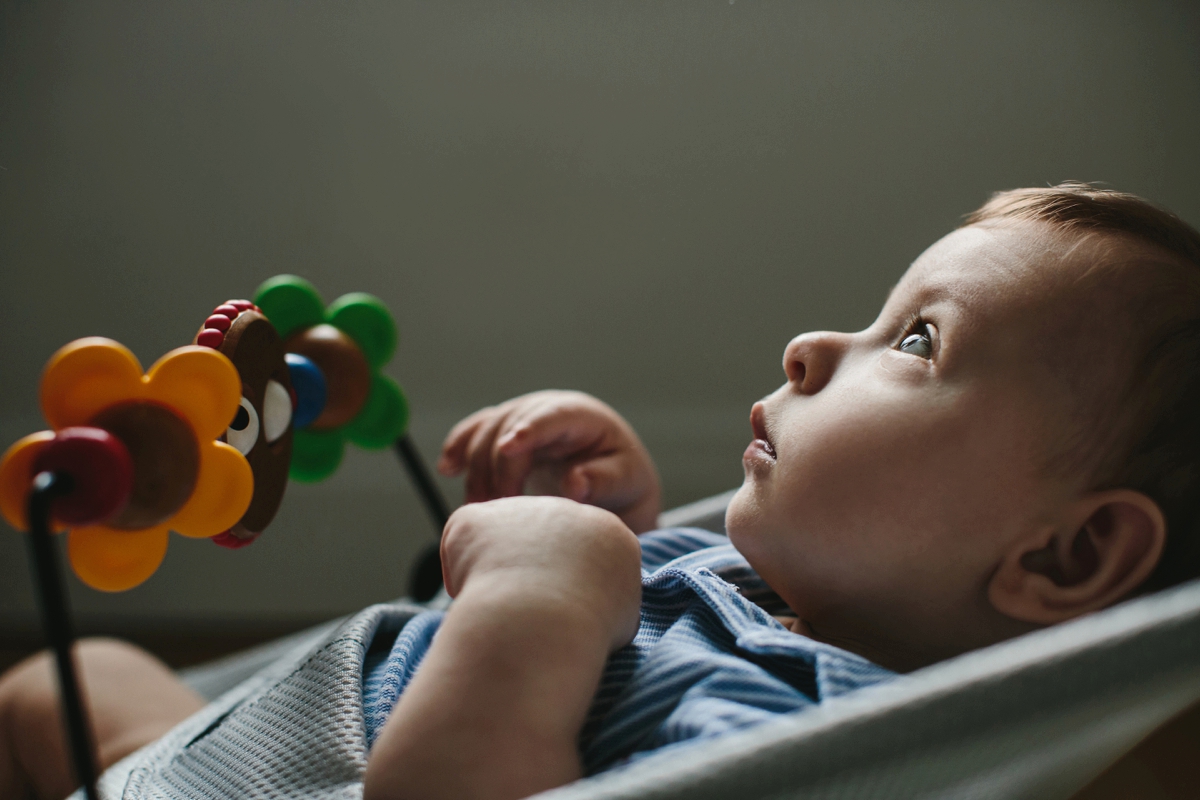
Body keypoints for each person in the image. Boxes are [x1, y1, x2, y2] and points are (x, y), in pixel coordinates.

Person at [3, 183, 1200, 800]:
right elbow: (630, 666)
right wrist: (619, 522)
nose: (809, 342)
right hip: (240, 744)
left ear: (1066, 557)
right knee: (71, 679)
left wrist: (543, 588)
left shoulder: (802, 732)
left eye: (921, 342)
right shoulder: (798, 590)